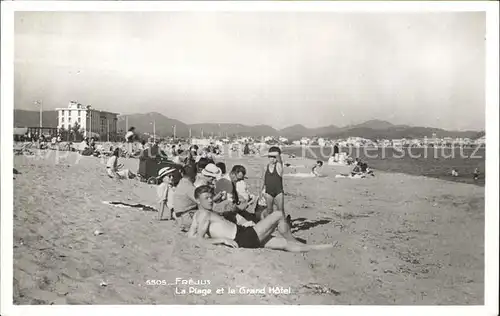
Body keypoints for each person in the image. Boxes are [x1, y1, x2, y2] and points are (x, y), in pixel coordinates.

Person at [187, 185, 334, 252]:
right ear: (198, 200)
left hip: (245, 236)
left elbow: (191, 236)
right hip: (243, 236)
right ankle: (293, 239)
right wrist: (222, 240)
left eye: (211, 197)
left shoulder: (198, 215)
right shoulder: (205, 214)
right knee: (278, 214)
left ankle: (321, 247)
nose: (211, 200)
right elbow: (201, 240)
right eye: (206, 198)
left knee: (283, 245)